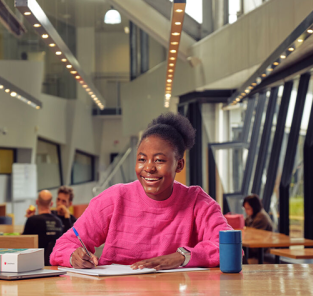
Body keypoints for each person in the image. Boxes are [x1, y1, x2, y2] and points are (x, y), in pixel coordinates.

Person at [50, 113, 234, 270]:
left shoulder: (197, 202)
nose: (148, 168)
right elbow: (63, 246)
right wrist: (74, 255)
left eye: (159, 160)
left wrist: (181, 257)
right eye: (142, 159)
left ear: (179, 164)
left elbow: (230, 248)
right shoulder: (114, 198)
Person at [23, 190, 64, 265]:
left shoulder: (32, 220)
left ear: (37, 202)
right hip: (55, 265)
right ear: (51, 204)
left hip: (35, 264)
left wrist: (30, 218)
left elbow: (24, 244)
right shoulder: (59, 221)